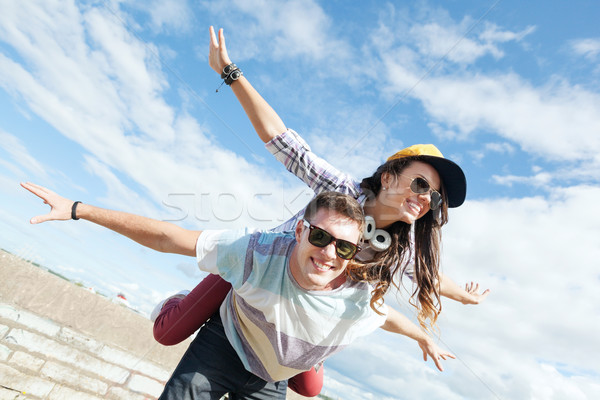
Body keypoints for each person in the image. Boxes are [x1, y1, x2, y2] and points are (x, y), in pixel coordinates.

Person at [151, 26, 490, 395]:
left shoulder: (398, 247)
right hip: (260, 276)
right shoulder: (341, 190)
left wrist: (465, 297)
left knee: (310, 387)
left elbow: (431, 277)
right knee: (170, 331)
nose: (426, 199)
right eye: (421, 184)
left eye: (435, 198)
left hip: (298, 315)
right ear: (390, 177)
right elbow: (283, 143)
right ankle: (179, 304)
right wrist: (230, 73)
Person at [21, 183, 454, 400]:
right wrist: (80, 210)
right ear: (301, 230)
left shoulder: (356, 297)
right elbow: (170, 237)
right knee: (174, 335)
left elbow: (388, 317)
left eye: (343, 247)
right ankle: (171, 305)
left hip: (272, 374)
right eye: (320, 238)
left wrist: (424, 336)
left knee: (311, 386)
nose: (328, 255)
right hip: (226, 344)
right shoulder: (256, 251)